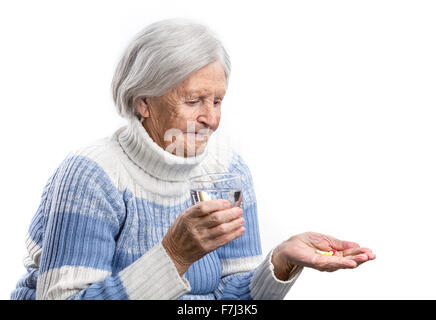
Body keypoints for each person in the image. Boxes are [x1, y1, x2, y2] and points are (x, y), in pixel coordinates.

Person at [11, 18, 375, 300]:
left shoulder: (226, 170)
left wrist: (280, 262)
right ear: (143, 101)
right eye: (194, 101)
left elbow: (231, 299)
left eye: (217, 101)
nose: (212, 119)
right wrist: (173, 256)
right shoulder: (93, 175)